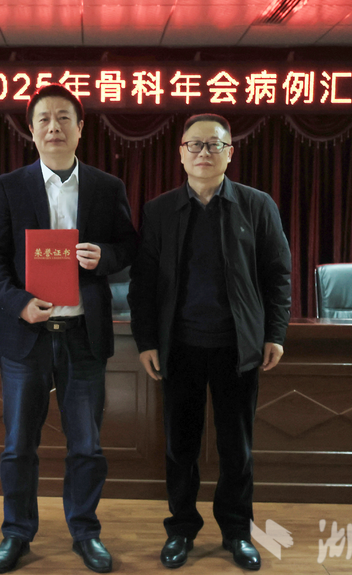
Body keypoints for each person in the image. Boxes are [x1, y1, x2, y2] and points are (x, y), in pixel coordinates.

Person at [0, 84, 137, 574]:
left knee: (86, 445)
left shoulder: (106, 186)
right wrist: (18, 303)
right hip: (25, 335)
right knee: (18, 445)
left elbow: (129, 248)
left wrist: (104, 257)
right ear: (31, 130)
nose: (54, 127)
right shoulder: (9, 186)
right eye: (44, 119)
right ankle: (16, 533)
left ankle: (85, 532)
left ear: (80, 128)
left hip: (83, 335)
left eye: (64, 118)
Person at [127, 114, 291, 571]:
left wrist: (274, 333)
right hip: (178, 346)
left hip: (237, 348)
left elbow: (278, 275)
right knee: (180, 446)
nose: (204, 152)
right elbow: (143, 284)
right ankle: (181, 528)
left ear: (229, 153)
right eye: (195, 145)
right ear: (180, 153)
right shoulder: (160, 210)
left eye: (214, 145)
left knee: (237, 447)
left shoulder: (257, 206)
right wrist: (146, 341)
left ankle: (237, 531)